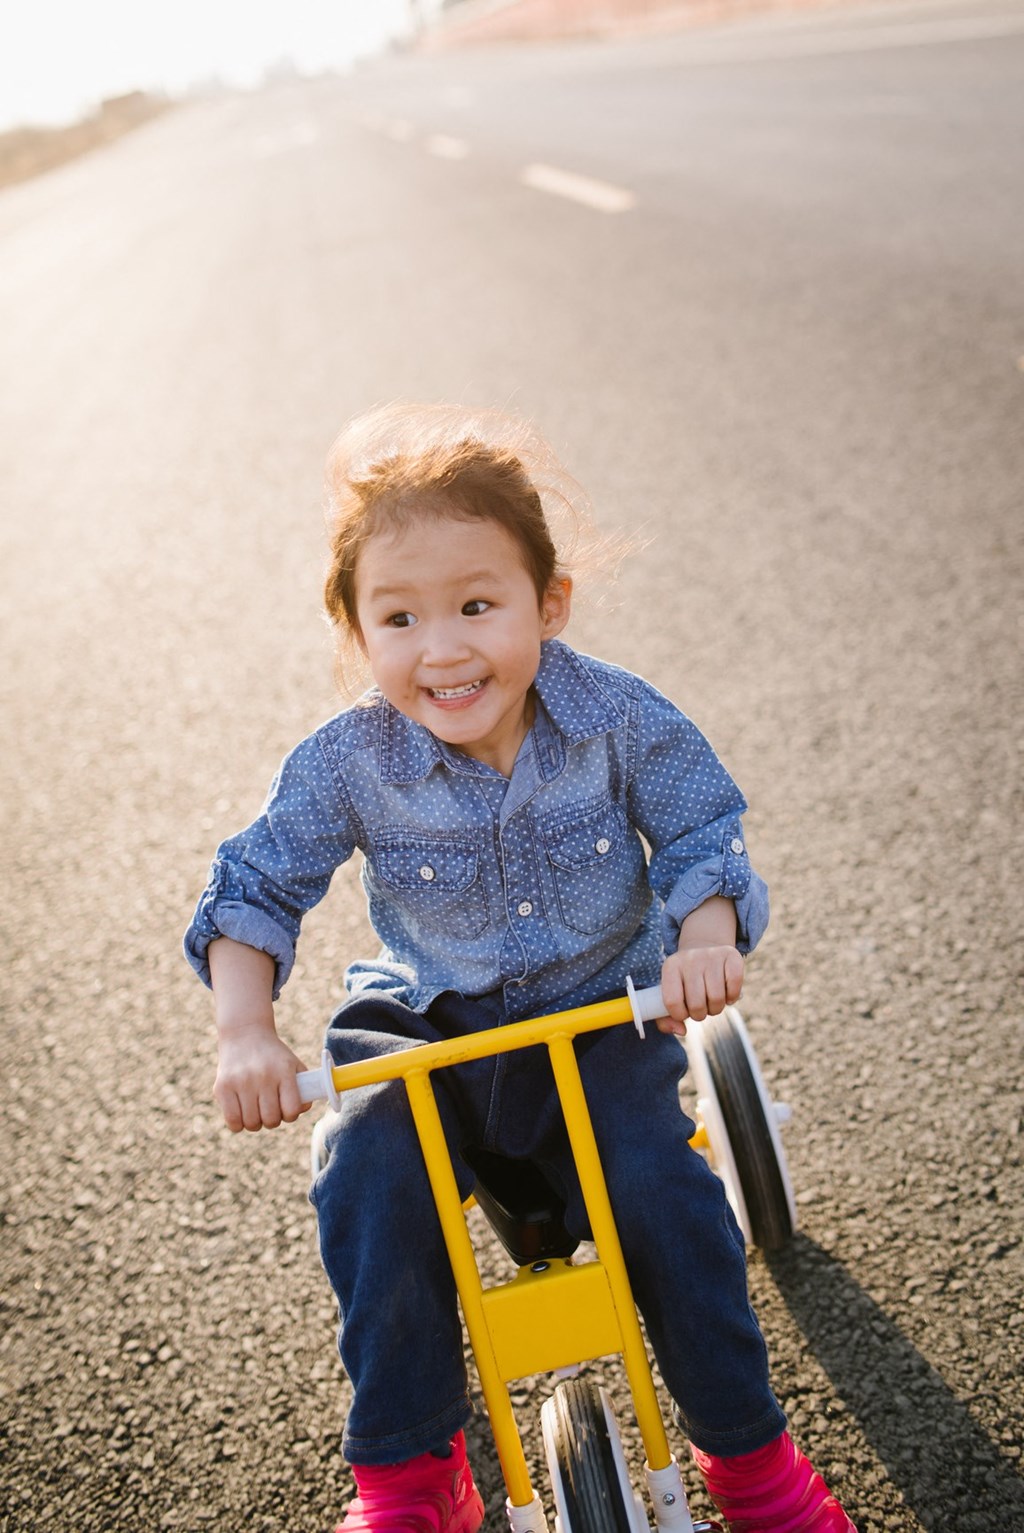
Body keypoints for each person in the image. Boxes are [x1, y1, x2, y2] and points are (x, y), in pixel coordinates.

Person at [184, 403, 854, 1533]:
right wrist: (245, 1030)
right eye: (400, 617)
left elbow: (701, 834)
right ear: (357, 631)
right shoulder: (348, 761)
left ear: (550, 603)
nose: (442, 648)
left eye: (477, 605)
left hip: (599, 1017)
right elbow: (253, 886)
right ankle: (412, 1475)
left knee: (663, 1186)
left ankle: (750, 1462)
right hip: (428, 1024)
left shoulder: (617, 720)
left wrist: (703, 938)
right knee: (365, 1164)